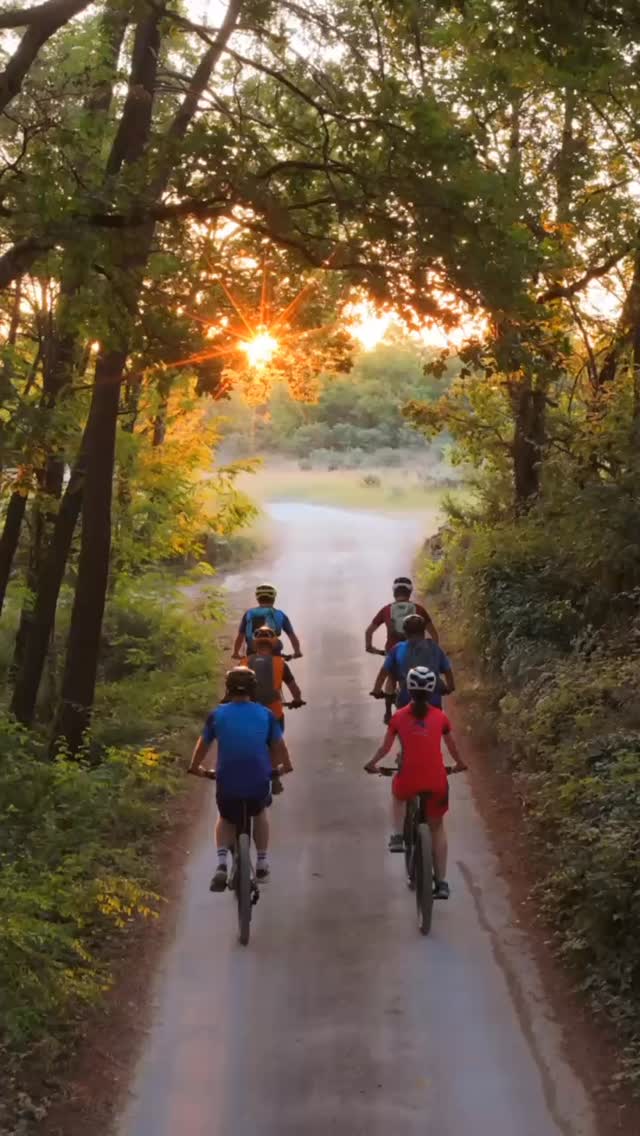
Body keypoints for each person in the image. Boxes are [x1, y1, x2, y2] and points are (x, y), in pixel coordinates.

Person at [364, 666, 466, 900]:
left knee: (398, 795)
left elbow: (386, 748)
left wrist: (372, 763)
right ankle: (441, 883)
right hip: (437, 780)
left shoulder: (399, 716)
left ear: (408, 689)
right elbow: (452, 747)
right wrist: (460, 764)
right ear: (432, 691)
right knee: (437, 828)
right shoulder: (440, 717)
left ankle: (398, 836)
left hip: (408, 778)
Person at [188, 667, 293, 892]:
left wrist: (196, 767)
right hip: (257, 780)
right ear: (254, 689)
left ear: (228, 688)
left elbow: (203, 744)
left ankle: (221, 865)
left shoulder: (217, 714)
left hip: (228, 780)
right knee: (260, 811)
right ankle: (262, 862)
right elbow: (279, 746)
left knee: (225, 817)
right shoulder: (266, 714)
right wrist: (286, 767)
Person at [241, 625, 304, 795]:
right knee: (275, 744)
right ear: (274, 644)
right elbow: (294, 689)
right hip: (274, 713)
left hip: (247, 713)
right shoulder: (280, 663)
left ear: (255, 644)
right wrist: (297, 700)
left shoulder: (244, 663)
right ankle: (274, 778)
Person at [365, 577, 438, 722]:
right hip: (418, 653)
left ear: (394, 592)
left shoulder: (386, 610)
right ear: (410, 592)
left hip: (392, 651)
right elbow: (434, 635)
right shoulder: (419, 609)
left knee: (391, 677)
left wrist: (370, 647)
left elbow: (369, 631)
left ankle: (387, 713)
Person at [370, 612, 454, 716]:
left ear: (405, 633)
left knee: (399, 726)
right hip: (433, 702)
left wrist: (377, 690)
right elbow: (447, 670)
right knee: (440, 726)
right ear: (423, 631)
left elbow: (383, 673)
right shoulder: (434, 647)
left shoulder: (397, 648)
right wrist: (450, 687)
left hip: (405, 702)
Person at [233, 583, 302, 659]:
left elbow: (240, 635)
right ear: (274, 598)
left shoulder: (249, 613)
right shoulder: (280, 614)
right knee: (281, 668)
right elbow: (291, 635)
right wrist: (297, 651)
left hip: (252, 649)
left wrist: (236, 653)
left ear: (257, 598)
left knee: (245, 667)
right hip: (274, 649)